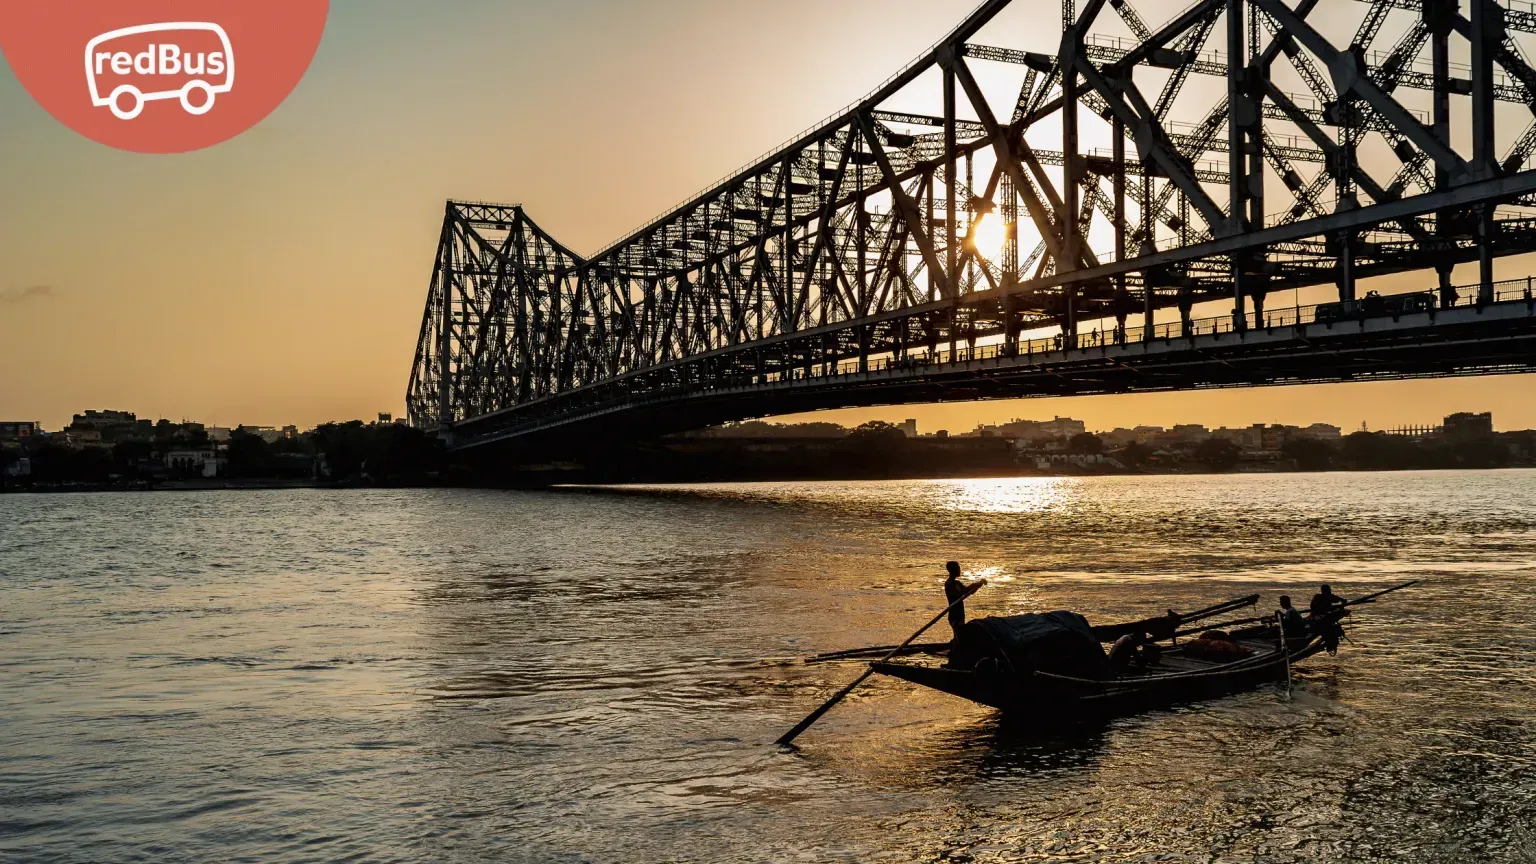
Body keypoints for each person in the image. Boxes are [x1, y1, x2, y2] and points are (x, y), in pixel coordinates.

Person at [943, 561, 973, 641]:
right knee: (960, 635)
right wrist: (972, 586)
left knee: (960, 636)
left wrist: (977, 585)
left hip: (960, 613)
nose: (960, 570)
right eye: (958, 568)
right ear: (953, 570)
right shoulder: (949, 584)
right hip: (954, 614)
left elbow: (969, 592)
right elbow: (957, 594)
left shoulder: (957, 583)